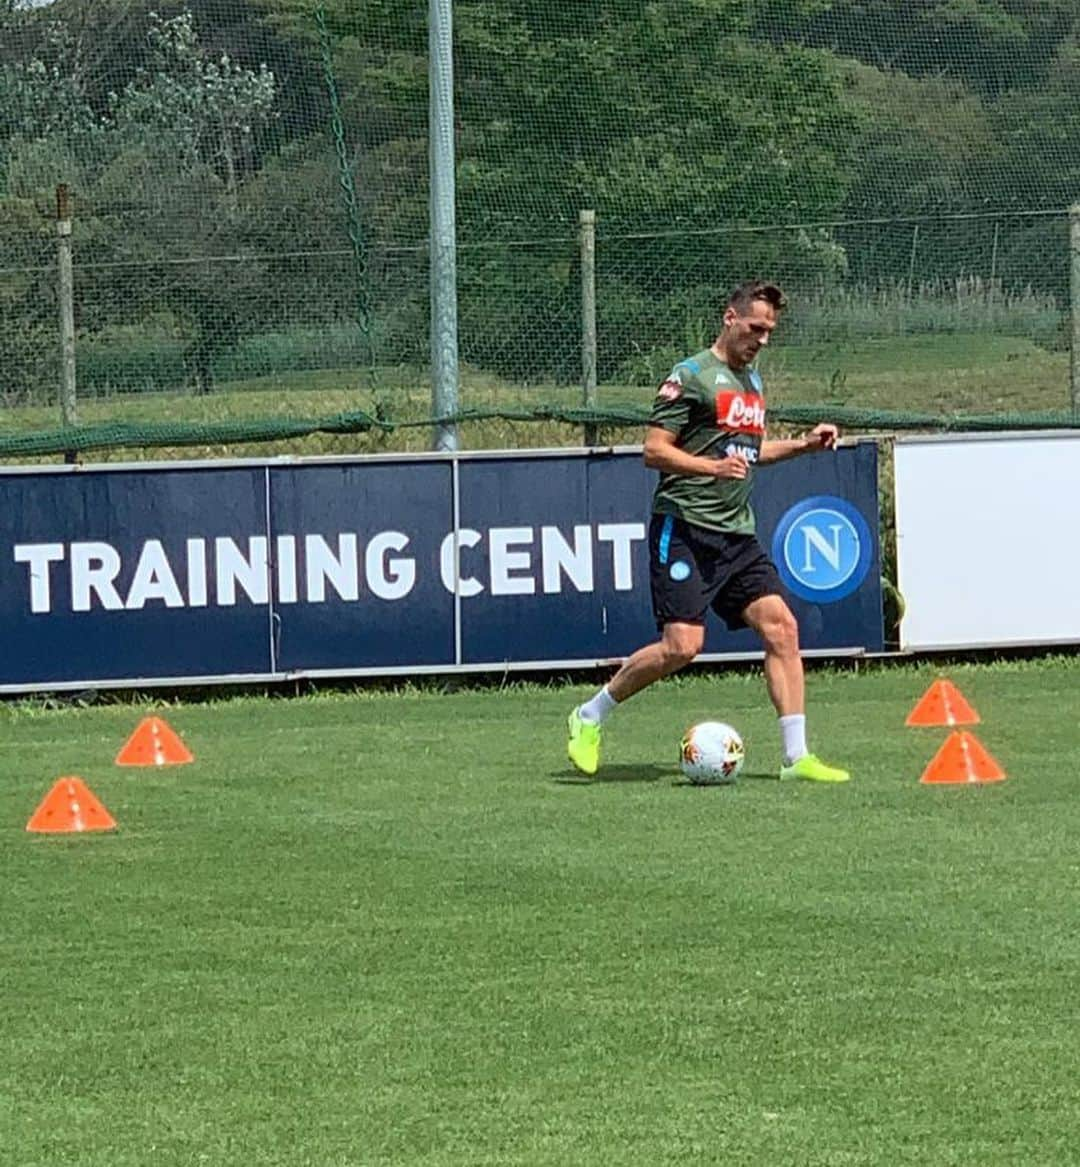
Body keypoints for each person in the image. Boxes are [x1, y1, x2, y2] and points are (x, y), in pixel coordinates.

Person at [567, 280, 850, 783]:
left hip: (736, 535)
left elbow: (748, 454)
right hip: (684, 528)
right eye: (755, 328)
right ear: (730, 318)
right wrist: (709, 469)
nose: (762, 339)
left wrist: (804, 445)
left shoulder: (753, 384)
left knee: (782, 627)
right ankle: (589, 716)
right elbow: (654, 451)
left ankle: (796, 757)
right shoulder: (691, 377)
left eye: (770, 332)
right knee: (682, 647)